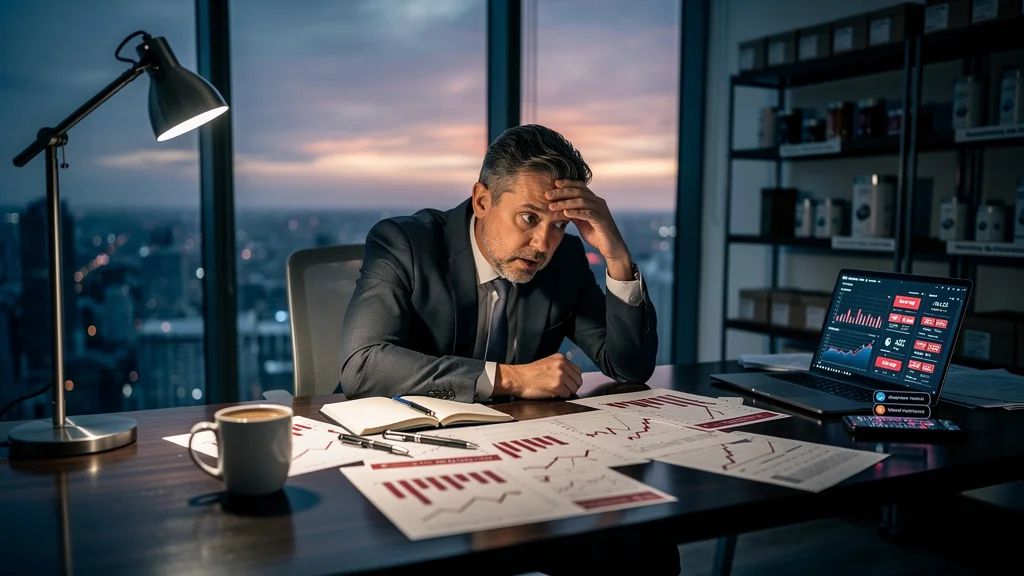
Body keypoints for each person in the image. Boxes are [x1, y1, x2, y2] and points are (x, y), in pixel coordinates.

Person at [338, 124, 658, 402]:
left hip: (510, 443)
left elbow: (629, 369)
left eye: (560, 224)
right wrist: (511, 379)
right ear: (482, 201)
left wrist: (617, 257)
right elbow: (363, 366)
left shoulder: (565, 261)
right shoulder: (404, 243)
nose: (543, 244)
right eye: (529, 217)